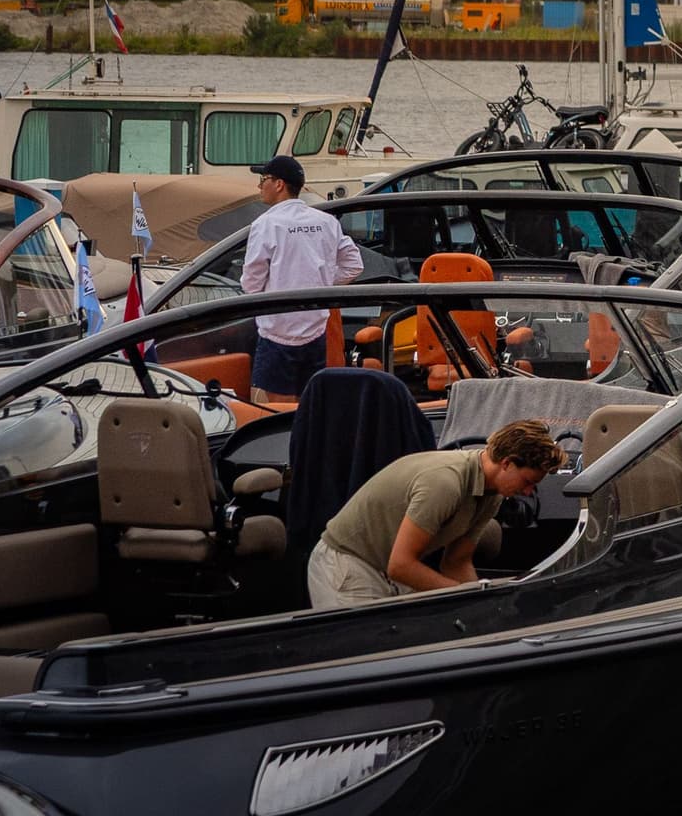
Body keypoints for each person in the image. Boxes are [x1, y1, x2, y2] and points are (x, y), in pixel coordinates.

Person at [304, 418, 561, 608]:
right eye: (528, 481)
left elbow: (456, 562)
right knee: (364, 662)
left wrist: (479, 605)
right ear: (507, 463)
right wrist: (460, 594)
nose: (528, 492)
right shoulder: (445, 484)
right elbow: (401, 565)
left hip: (386, 569)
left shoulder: (491, 494)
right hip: (347, 562)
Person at [237, 154, 356, 401]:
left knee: (279, 414)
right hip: (316, 332)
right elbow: (354, 265)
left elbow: (251, 283)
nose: (260, 185)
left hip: (276, 335)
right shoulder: (326, 222)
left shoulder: (266, 224)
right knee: (311, 405)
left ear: (279, 184)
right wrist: (319, 283)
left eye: (264, 179)